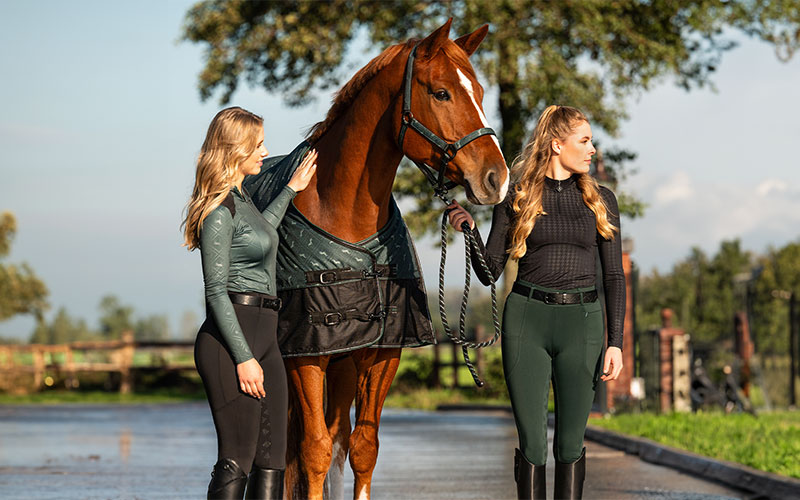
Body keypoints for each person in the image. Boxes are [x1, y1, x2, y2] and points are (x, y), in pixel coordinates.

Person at [447, 105, 624, 500]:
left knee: (570, 445)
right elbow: (490, 271)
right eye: (585, 141)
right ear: (557, 144)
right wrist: (470, 231)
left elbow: (614, 276)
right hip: (527, 321)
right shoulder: (517, 196)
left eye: (591, 140)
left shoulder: (603, 200)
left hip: (583, 324)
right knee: (532, 444)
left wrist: (616, 342)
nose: (592, 149)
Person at [182, 107, 317, 500]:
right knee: (237, 458)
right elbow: (215, 291)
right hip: (230, 343)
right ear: (235, 149)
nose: (264, 151)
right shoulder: (218, 212)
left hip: (266, 339)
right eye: (257, 145)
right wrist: (243, 357)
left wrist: (291, 188)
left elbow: (261, 234)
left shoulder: (243, 202)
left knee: (273, 460)